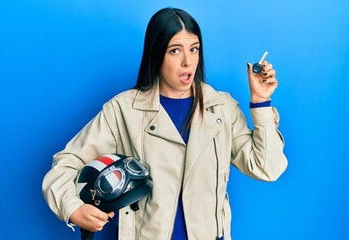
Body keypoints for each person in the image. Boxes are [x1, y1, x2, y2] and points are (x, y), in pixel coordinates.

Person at [42, 7, 287, 240]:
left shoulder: (221, 108)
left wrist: (260, 102)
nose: (187, 62)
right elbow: (66, 163)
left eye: (194, 49)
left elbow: (267, 168)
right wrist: (73, 209)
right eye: (175, 50)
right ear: (156, 53)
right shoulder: (123, 110)